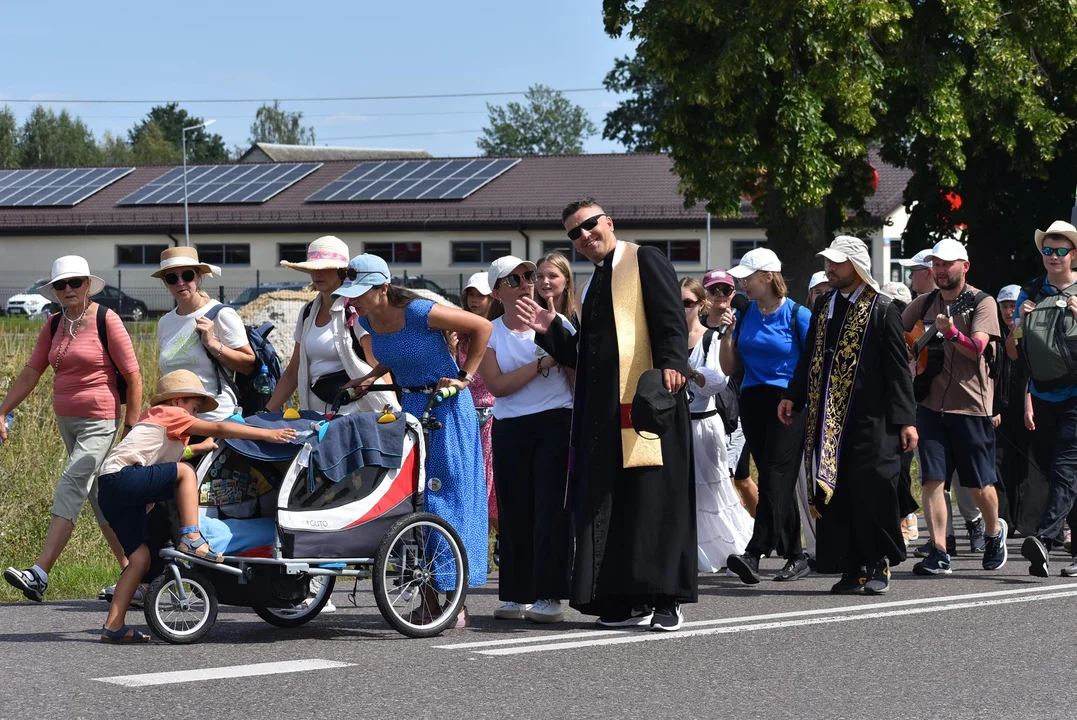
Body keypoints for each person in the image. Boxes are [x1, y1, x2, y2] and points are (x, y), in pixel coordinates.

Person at [520, 197, 695, 632]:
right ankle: (628, 598)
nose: (583, 236)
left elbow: (670, 318)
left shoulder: (643, 259)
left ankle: (667, 598)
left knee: (657, 502)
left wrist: (673, 362)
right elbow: (587, 354)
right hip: (605, 413)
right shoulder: (597, 282)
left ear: (609, 222)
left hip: (649, 404)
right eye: (574, 233)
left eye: (589, 225)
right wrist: (552, 332)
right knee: (619, 508)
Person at [342, 254, 491, 627]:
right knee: (414, 499)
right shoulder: (365, 318)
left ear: (383, 287)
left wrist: (464, 376)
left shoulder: (421, 311)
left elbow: (481, 327)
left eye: (361, 292)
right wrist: (371, 375)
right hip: (410, 409)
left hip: (447, 409)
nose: (354, 300)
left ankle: (455, 598)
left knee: (446, 497)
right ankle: (427, 598)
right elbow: (396, 356)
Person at [95, 370, 297, 642]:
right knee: (185, 473)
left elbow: (165, 452)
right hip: (123, 477)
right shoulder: (171, 413)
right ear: (177, 401)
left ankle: (114, 626)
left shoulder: (152, 421)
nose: (196, 415)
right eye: (194, 407)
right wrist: (266, 434)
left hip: (109, 488)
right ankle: (191, 536)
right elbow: (220, 428)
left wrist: (200, 449)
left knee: (140, 560)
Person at [780, 237, 918, 595]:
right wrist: (793, 397)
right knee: (836, 493)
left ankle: (878, 563)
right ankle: (851, 565)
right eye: (828, 262)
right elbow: (810, 355)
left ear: (856, 266)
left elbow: (898, 370)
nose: (830, 269)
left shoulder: (882, 309)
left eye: (838, 263)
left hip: (873, 421)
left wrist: (906, 419)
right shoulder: (825, 304)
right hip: (829, 421)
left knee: (871, 490)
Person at [2, 256, 142, 603]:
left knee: (72, 481)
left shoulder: (106, 319)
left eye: (75, 282)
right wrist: (2, 410)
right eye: (61, 285)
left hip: (101, 419)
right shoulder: (52, 324)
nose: (68, 289)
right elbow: (31, 373)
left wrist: (131, 427)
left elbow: (133, 376)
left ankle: (40, 573)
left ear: (87, 285)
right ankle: (135, 576)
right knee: (98, 498)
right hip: (68, 422)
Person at [900, 238, 1008, 576]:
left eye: (948, 263)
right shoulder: (925, 301)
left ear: (965, 266)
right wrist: (906, 352)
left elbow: (977, 348)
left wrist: (951, 335)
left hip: (970, 406)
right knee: (933, 480)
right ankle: (940, 551)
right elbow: (896, 330)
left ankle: (994, 531)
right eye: (936, 264)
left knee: (978, 485)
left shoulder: (982, 302)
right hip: (930, 405)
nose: (941, 270)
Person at [480, 256, 574, 623]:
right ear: (497, 291)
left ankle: (549, 595)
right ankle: (517, 595)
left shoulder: (558, 323)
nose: (526, 283)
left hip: (556, 422)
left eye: (529, 275)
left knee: (551, 511)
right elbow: (497, 386)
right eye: (514, 278)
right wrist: (540, 365)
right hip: (511, 425)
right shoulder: (490, 332)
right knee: (515, 511)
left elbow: (575, 374)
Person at [720, 248, 812, 584]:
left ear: (768, 277)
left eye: (748, 276)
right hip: (752, 400)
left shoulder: (797, 314)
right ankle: (796, 556)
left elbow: (812, 366)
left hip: (788, 402)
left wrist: (796, 397)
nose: (742, 282)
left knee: (774, 477)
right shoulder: (745, 314)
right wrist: (728, 334)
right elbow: (729, 367)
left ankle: (754, 552)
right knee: (779, 482)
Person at [266, 236, 396, 416]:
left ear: (342, 272)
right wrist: (265, 413)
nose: (317, 274)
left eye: (326, 268)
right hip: (316, 414)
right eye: (313, 269)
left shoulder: (356, 309)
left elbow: (378, 365)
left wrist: (392, 411)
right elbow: (293, 371)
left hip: (358, 413)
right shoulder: (307, 312)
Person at [1016, 221, 1077, 577]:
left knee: (1067, 469)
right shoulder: (1032, 291)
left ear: (1074, 255)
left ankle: (1045, 537)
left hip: (1075, 395)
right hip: (1042, 394)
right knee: (1060, 471)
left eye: (1060, 251)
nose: (1053, 257)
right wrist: (1019, 324)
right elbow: (1016, 350)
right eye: (1047, 251)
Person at [681, 277, 753, 572]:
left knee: (714, 490)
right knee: (684, 493)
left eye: (687, 302)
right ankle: (691, 552)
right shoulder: (668, 339)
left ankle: (737, 548)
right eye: (677, 302)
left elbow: (717, 381)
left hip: (705, 425)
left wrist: (689, 373)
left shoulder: (710, 338)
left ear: (700, 305)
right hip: (677, 425)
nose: (681, 308)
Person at [154, 247, 256, 420]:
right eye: (172, 278)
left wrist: (213, 344)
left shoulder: (220, 314)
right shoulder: (165, 322)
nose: (180, 283)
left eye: (187, 275)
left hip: (216, 419)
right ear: (165, 283)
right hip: (176, 422)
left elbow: (248, 364)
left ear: (198, 276)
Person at [449, 272, 499, 560]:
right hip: (466, 414)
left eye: (480, 294)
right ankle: (472, 550)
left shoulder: (499, 330)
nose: (474, 300)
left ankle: (497, 548)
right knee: (470, 484)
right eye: (470, 294)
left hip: (493, 414)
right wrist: (452, 349)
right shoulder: (459, 333)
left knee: (492, 486)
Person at [702, 269, 758, 517]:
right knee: (741, 477)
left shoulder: (742, 321)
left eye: (725, 290)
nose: (719, 295)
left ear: (733, 293)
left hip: (733, 411)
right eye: (713, 290)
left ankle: (755, 534)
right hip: (702, 408)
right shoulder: (697, 325)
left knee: (730, 475)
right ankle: (763, 534)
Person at [994, 283, 1035, 536]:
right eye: (1005, 306)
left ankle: (1027, 521)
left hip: (1028, 407)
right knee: (1000, 463)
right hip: (1002, 408)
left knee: (1028, 465)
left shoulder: (1029, 331)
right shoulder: (994, 333)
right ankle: (1004, 521)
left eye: (1013, 306)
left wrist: (1030, 405)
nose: (1009, 311)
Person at [883, 280, 920, 545]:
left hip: (910, 406)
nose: (894, 310)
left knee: (903, 469)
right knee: (888, 470)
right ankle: (899, 517)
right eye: (890, 304)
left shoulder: (916, 332)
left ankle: (905, 514)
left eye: (899, 306)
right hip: (882, 407)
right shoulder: (877, 325)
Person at [535, 250, 579, 328]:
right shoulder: (531, 317)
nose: (545, 281)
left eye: (552, 276)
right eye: (540, 276)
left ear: (567, 281)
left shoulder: (579, 316)